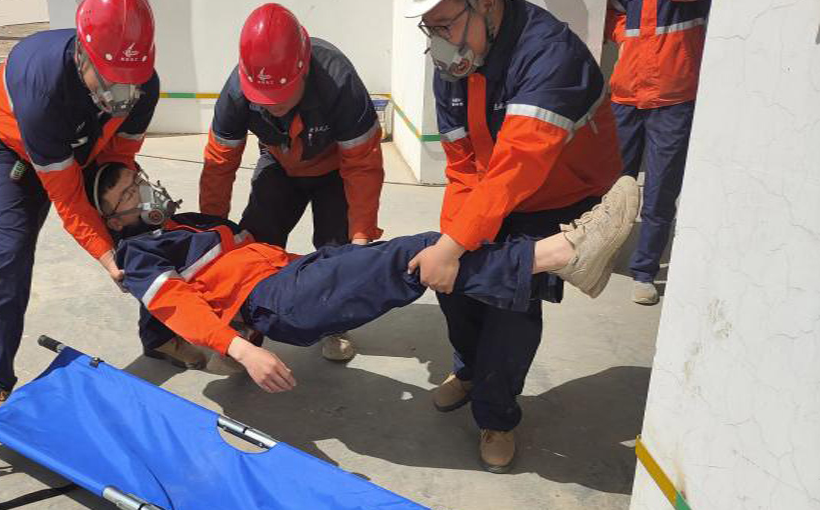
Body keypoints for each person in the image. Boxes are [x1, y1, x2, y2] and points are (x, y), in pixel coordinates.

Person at [88, 163, 638, 395]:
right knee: (423, 252)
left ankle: (552, 269)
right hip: (278, 299)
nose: (142, 192)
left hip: (294, 273)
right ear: (113, 220)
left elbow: (243, 255)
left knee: (429, 260)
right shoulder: (139, 254)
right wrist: (243, 348)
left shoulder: (185, 223)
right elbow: (177, 307)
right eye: (127, 195)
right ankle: (562, 251)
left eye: (137, 180)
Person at [404, 0, 623, 472]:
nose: (438, 41)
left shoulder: (549, 54)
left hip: (557, 193)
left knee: (510, 302)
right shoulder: (457, 60)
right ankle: (468, 372)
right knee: (455, 284)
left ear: (485, 2)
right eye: (429, 28)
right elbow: (463, 165)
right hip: (494, 187)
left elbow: (519, 168)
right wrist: (453, 242)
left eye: (444, 24)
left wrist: (456, 244)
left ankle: (497, 417)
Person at [0, 0, 203, 411]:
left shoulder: (143, 85)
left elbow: (121, 156)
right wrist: (106, 255)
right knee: (11, 254)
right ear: (83, 55)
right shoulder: (42, 90)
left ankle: (160, 336)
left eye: (130, 81)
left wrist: (124, 207)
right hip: (15, 150)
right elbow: (67, 196)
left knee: (140, 221)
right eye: (110, 80)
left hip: (85, 145)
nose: (120, 94)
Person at [199, 3, 386, 362]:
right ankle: (249, 324)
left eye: (283, 94)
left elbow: (362, 164)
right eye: (265, 99)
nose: (275, 105)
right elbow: (219, 166)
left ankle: (333, 324)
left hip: (335, 170)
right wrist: (213, 229)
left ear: (303, 69)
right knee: (256, 243)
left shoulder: (338, 79)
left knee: (336, 249)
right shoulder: (236, 91)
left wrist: (361, 236)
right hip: (279, 164)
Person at [607, 0, 711, 305]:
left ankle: (644, 271)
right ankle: (600, 255)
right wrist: (622, 35)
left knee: (660, 190)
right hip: (626, 92)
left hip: (673, 96)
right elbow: (612, 11)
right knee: (611, 186)